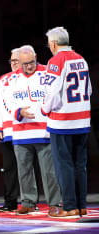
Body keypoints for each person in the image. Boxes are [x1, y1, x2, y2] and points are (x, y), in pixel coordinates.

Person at [3, 45, 62, 215]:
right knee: (24, 171)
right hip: (21, 132)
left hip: (45, 131)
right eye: (25, 64)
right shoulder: (12, 79)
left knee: (49, 171)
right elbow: (7, 102)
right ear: (19, 62)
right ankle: (28, 202)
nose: (28, 66)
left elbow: (56, 96)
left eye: (31, 62)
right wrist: (18, 111)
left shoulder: (47, 74)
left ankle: (54, 203)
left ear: (36, 56)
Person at [42, 26, 92, 218]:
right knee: (80, 164)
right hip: (82, 120)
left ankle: (70, 206)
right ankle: (81, 205)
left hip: (63, 122)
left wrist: (44, 109)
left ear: (53, 44)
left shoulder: (56, 60)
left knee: (64, 164)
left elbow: (52, 92)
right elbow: (89, 90)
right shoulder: (81, 59)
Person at [0, 48, 21, 212]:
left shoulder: (31, 78)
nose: (13, 64)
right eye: (11, 61)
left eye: (16, 61)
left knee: (30, 167)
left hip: (27, 131)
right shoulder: (3, 80)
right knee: (9, 167)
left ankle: (30, 201)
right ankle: (10, 201)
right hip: (8, 132)